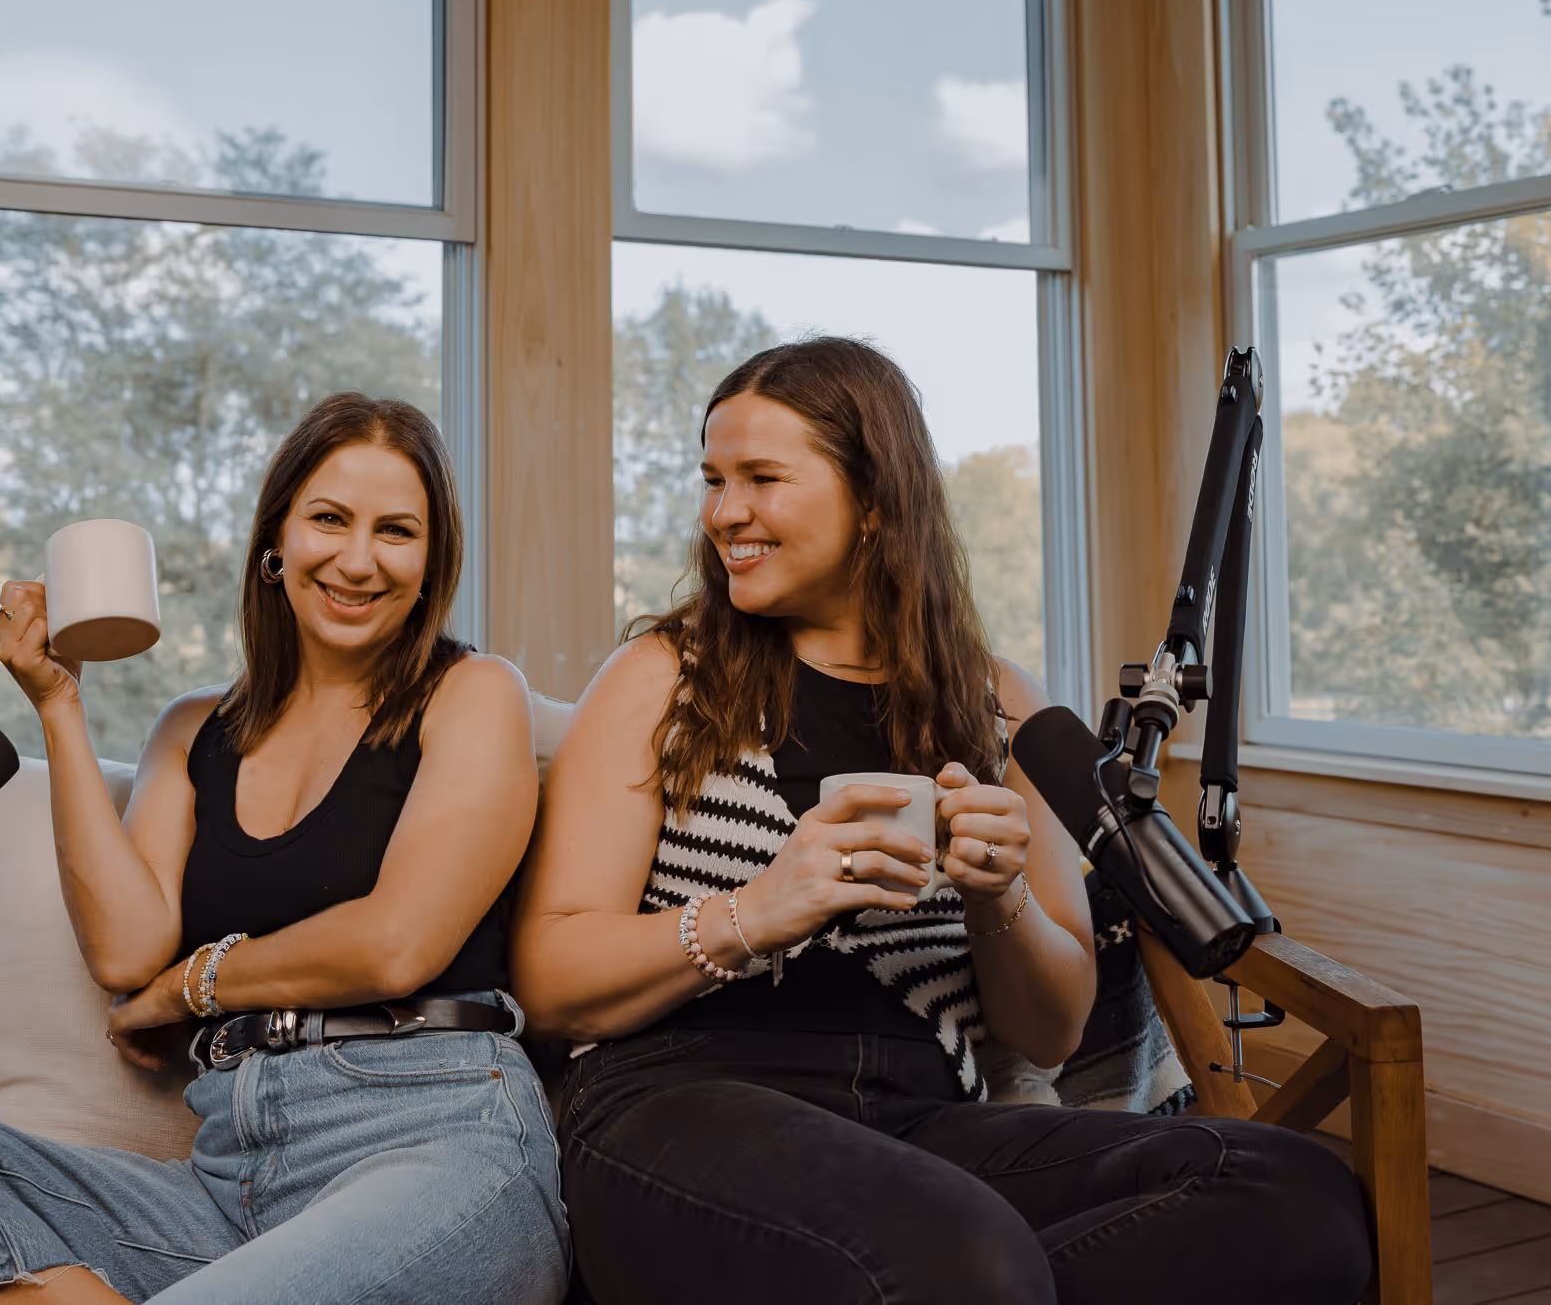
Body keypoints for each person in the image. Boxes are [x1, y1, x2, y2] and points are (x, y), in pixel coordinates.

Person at [510, 338, 1371, 1305]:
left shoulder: (997, 705)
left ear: (876, 500)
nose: (723, 513)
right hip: (679, 1104)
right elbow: (550, 981)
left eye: (761, 478)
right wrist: (760, 909)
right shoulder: (663, 678)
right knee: (963, 1256)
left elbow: (1049, 1033)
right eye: (713, 480)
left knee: (1294, 1197)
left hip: (924, 1120)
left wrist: (998, 898)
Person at [0, 394, 569, 1305]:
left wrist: (190, 987)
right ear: (276, 539)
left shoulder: (473, 693)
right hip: (227, 1187)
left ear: (432, 560)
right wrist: (59, 704)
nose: (358, 559)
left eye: (397, 531)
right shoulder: (191, 731)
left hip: (438, 1139)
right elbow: (125, 950)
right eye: (330, 519)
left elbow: (397, 945)